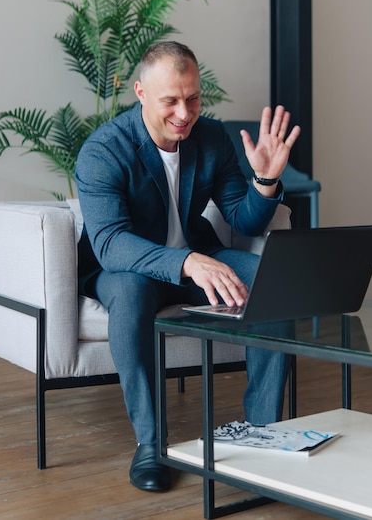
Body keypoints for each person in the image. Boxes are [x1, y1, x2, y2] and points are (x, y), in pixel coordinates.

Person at [76, 41, 301, 493]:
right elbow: (110, 243)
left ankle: (263, 433)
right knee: (133, 292)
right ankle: (151, 444)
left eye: (193, 98)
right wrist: (185, 262)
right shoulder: (104, 150)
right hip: (129, 268)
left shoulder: (211, 138)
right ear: (140, 93)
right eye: (171, 101)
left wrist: (265, 180)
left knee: (270, 282)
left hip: (198, 258)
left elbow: (243, 218)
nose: (185, 112)